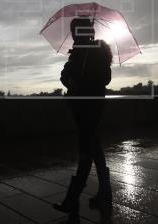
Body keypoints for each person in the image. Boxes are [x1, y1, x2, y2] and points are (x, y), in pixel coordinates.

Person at [53, 17, 113, 223]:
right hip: (79, 105)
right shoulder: (77, 51)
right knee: (92, 146)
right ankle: (105, 193)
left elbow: (105, 78)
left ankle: (73, 197)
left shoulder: (97, 49)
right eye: (72, 31)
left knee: (86, 146)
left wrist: (82, 76)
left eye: (75, 30)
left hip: (91, 105)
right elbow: (65, 76)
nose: (73, 34)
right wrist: (68, 75)